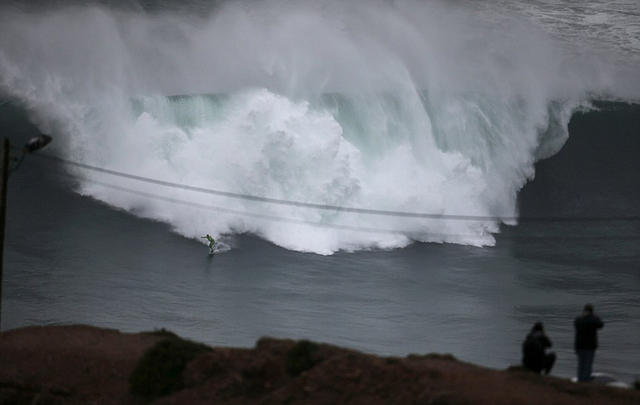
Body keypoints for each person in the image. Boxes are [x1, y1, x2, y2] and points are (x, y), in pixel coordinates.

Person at [574, 303, 604, 382]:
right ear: (591, 311)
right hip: (589, 346)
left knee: (581, 364)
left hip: (579, 346)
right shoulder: (592, 320)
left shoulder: (579, 320)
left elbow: (576, 323)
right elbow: (600, 324)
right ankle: (586, 380)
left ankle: (580, 379)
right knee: (588, 364)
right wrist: (594, 316)